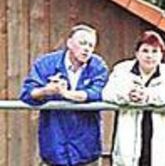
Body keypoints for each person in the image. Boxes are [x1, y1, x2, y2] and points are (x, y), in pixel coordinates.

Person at [20, 24, 109, 166]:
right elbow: (27, 93)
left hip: (86, 149)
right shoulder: (46, 63)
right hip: (54, 146)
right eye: (83, 43)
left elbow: (97, 93)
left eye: (91, 45)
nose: (87, 49)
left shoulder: (98, 66)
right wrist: (47, 91)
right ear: (69, 43)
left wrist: (65, 94)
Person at [102, 31, 165, 166]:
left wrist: (148, 96)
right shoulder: (122, 70)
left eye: (154, 51)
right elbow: (108, 93)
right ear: (137, 53)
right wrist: (127, 95)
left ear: (161, 55)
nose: (149, 56)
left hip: (161, 144)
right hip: (128, 142)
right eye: (145, 50)